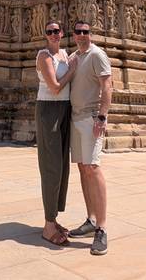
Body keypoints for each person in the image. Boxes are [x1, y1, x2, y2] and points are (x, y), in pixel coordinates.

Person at [68, 20, 112, 255]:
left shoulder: (97, 54)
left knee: (93, 168)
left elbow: (107, 85)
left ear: (90, 34)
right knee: (83, 168)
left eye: (86, 32)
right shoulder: (75, 56)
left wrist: (102, 117)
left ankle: (102, 229)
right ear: (74, 35)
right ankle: (91, 219)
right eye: (78, 32)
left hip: (92, 119)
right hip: (76, 118)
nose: (82, 35)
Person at [35, 20, 77, 246]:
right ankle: (48, 225)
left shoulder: (64, 54)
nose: (53, 34)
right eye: (49, 31)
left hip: (64, 109)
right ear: (45, 35)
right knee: (51, 166)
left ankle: (54, 217)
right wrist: (71, 70)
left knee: (62, 166)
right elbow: (54, 86)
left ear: (62, 33)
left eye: (56, 31)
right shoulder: (44, 56)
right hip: (48, 110)